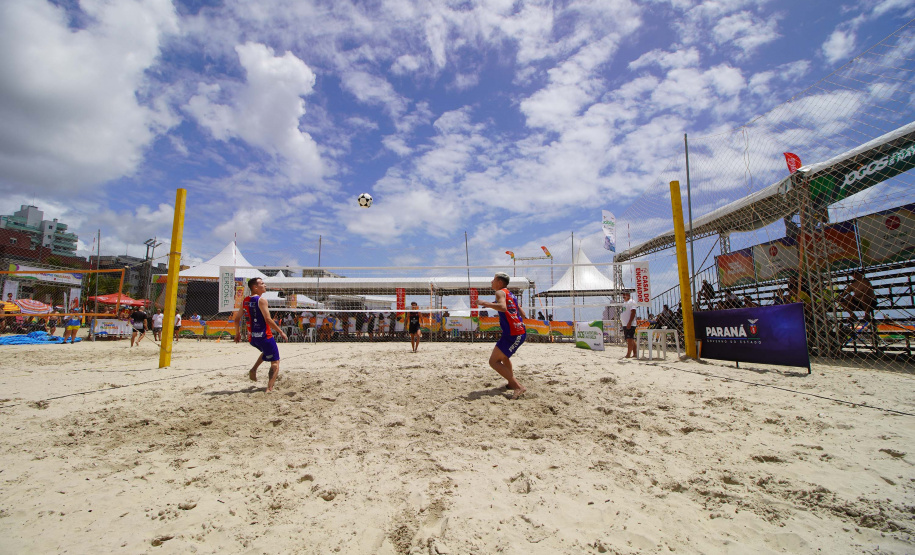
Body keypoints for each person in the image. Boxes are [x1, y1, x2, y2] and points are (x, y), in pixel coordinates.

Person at [477, 272, 527, 399]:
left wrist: (485, 303)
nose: (491, 282)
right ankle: (511, 383)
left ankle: (518, 386)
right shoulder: (510, 294)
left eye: (493, 280)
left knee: (493, 361)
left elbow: (503, 308)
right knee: (504, 358)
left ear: (499, 282)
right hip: (517, 331)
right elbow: (521, 312)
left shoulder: (500, 293)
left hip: (513, 333)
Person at [235, 277, 288, 392]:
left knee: (266, 352)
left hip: (252, 338)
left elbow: (237, 318)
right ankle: (269, 388)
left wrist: (237, 333)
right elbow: (268, 320)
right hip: (265, 336)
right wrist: (281, 332)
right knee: (275, 362)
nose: (265, 285)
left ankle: (253, 369)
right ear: (255, 287)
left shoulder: (245, 300)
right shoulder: (261, 300)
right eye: (262, 283)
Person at [621, 292, 638, 358]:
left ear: (628, 295)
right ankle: (635, 353)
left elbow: (633, 312)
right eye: (622, 295)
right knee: (630, 339)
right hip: (625, 324)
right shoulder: (625, 303)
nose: (623, 296)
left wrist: (629, 322)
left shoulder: (631, 302)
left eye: (624, 295)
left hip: (630, 324)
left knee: (630, 339)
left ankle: (628, 354)